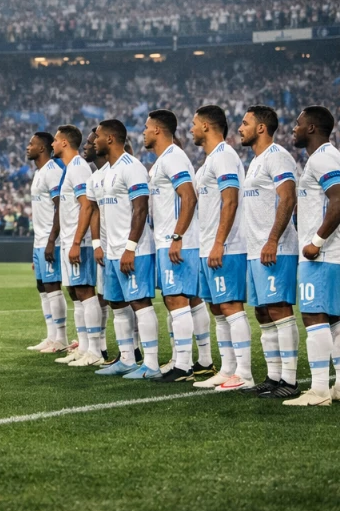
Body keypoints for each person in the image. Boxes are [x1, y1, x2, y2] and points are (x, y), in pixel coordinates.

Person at [286, 106, 340, 407]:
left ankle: (318, 390)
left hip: (323, 254)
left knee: (314, 316)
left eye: (298, 124)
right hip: (337, 252)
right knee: (336, 318)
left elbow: (339, 201)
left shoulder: (323, 158)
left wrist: (315, 241)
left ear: (312, 128)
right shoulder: (330, 157)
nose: (294, 128)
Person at [238, 105, 302, 399]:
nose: (240, 128)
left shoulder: (278, 156)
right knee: (263, 312)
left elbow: (288, 197)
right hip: (256, 250)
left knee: (278, 309)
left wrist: (273, 239)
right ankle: (273, 376)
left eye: (245, 123)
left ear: (261, 128)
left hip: (275, 248)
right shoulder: (255, 161)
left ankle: (289, 380)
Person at [189, 105, 253, 391]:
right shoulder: (209, 162)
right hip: (208, 247)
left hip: (226, 246)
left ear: (206, 126)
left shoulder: (225, 156)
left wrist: (219, 242)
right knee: (217, 308)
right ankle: (228, 369)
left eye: (193, 124)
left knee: (230, 306)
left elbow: (231, 200)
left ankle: (244, 372)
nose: (190, 129)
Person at [92, 120, 160, 379]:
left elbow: (141, 208)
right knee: (118, 304)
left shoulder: (132, 167)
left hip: (134, 250)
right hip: (112, 252)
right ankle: (127, 359)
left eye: (97, 136)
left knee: (140, 303)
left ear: (110, 139)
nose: (95, 140)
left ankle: (151, 364)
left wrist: (130, 248)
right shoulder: (109, 171)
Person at [141, 110, 202, 383]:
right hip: (167, 240)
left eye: (146, 127)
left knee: (178, 300)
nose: (143, 132)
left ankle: (185, 366)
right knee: (172, 300)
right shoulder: (162, 161)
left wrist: (177, 237)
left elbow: (188, 197)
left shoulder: (174, 157)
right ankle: (180, 360)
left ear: (157, 130)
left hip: (178, 242)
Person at [50, 125, 100, 366]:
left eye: (55, 140)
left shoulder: (79, 167)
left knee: (86, 293)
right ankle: (84, 347)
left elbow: (87, 205)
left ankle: (95, 350)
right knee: (76, 294)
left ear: (65, 143)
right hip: (71, 241)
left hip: (81, 242)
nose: (52, 144)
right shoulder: (71, 168)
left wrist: (78, 242)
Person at [27, 131, 68, 354]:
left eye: (31, 144)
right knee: (42, 286)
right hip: (40, 240)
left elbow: (60, 205)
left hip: (53, 240)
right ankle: (51, 336)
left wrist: (52, 240)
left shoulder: (53, 171)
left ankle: (61, 338)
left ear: (42, 148)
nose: (28, 147)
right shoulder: (40, 172)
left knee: (53, 287)